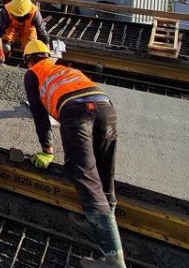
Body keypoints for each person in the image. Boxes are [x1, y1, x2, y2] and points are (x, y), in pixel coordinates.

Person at [22, 40, 126, 268]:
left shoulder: (32, 73)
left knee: (85, 175)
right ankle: (105, 224)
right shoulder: (66, 69)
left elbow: (40, 116)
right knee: (104, 171)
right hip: (106, 107)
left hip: (75, 111)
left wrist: (47, 150)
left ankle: (113, 259)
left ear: (28, 60)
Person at [0, 0, 50, 64]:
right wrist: (0, 50)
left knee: (31, 49)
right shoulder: (7, 10)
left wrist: (47, 55)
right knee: (5, 47)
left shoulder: (35, 13)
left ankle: (28, 64)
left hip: (28, 29)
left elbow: (43, 34)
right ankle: (4, 59)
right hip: (12, 28)